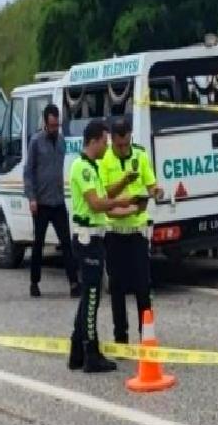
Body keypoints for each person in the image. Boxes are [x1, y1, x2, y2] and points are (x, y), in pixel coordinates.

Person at [67, 120, 141, 372]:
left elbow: (106, 200)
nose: (107, 147)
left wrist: (127, 204)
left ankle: (77, 349)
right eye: (105, 142)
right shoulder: (82, 168)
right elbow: (97, 204)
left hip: (95, 236)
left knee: (90, 295)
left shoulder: (92, 167)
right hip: (87, 239)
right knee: (92, 297)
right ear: (95, 140)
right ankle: (90, 352)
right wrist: (123, 202)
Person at [100, 118, 161, 345]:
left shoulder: (140, 155)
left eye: (127, 144)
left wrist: (156, 191)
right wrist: (125, 184)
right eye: (119, 145)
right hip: (114, 232)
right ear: (112, 140)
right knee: (117, 287)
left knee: (143, 287)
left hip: (137, 232)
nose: (124, 149)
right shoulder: (104, 160)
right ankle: (120, 338)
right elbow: (105, 194)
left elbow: (150, 183)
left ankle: (146, 337)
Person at [24, 104, 80, 298]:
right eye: (52, 125)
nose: (55, 129)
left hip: (58, 201)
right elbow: (28, 172)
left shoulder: (62, 141)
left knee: (66, 242)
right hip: (40, 203)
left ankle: (74, 283)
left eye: (57, 125)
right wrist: (31, 197)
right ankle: (34, 282)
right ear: (45, 123)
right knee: (38, 244)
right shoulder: (35, 142)